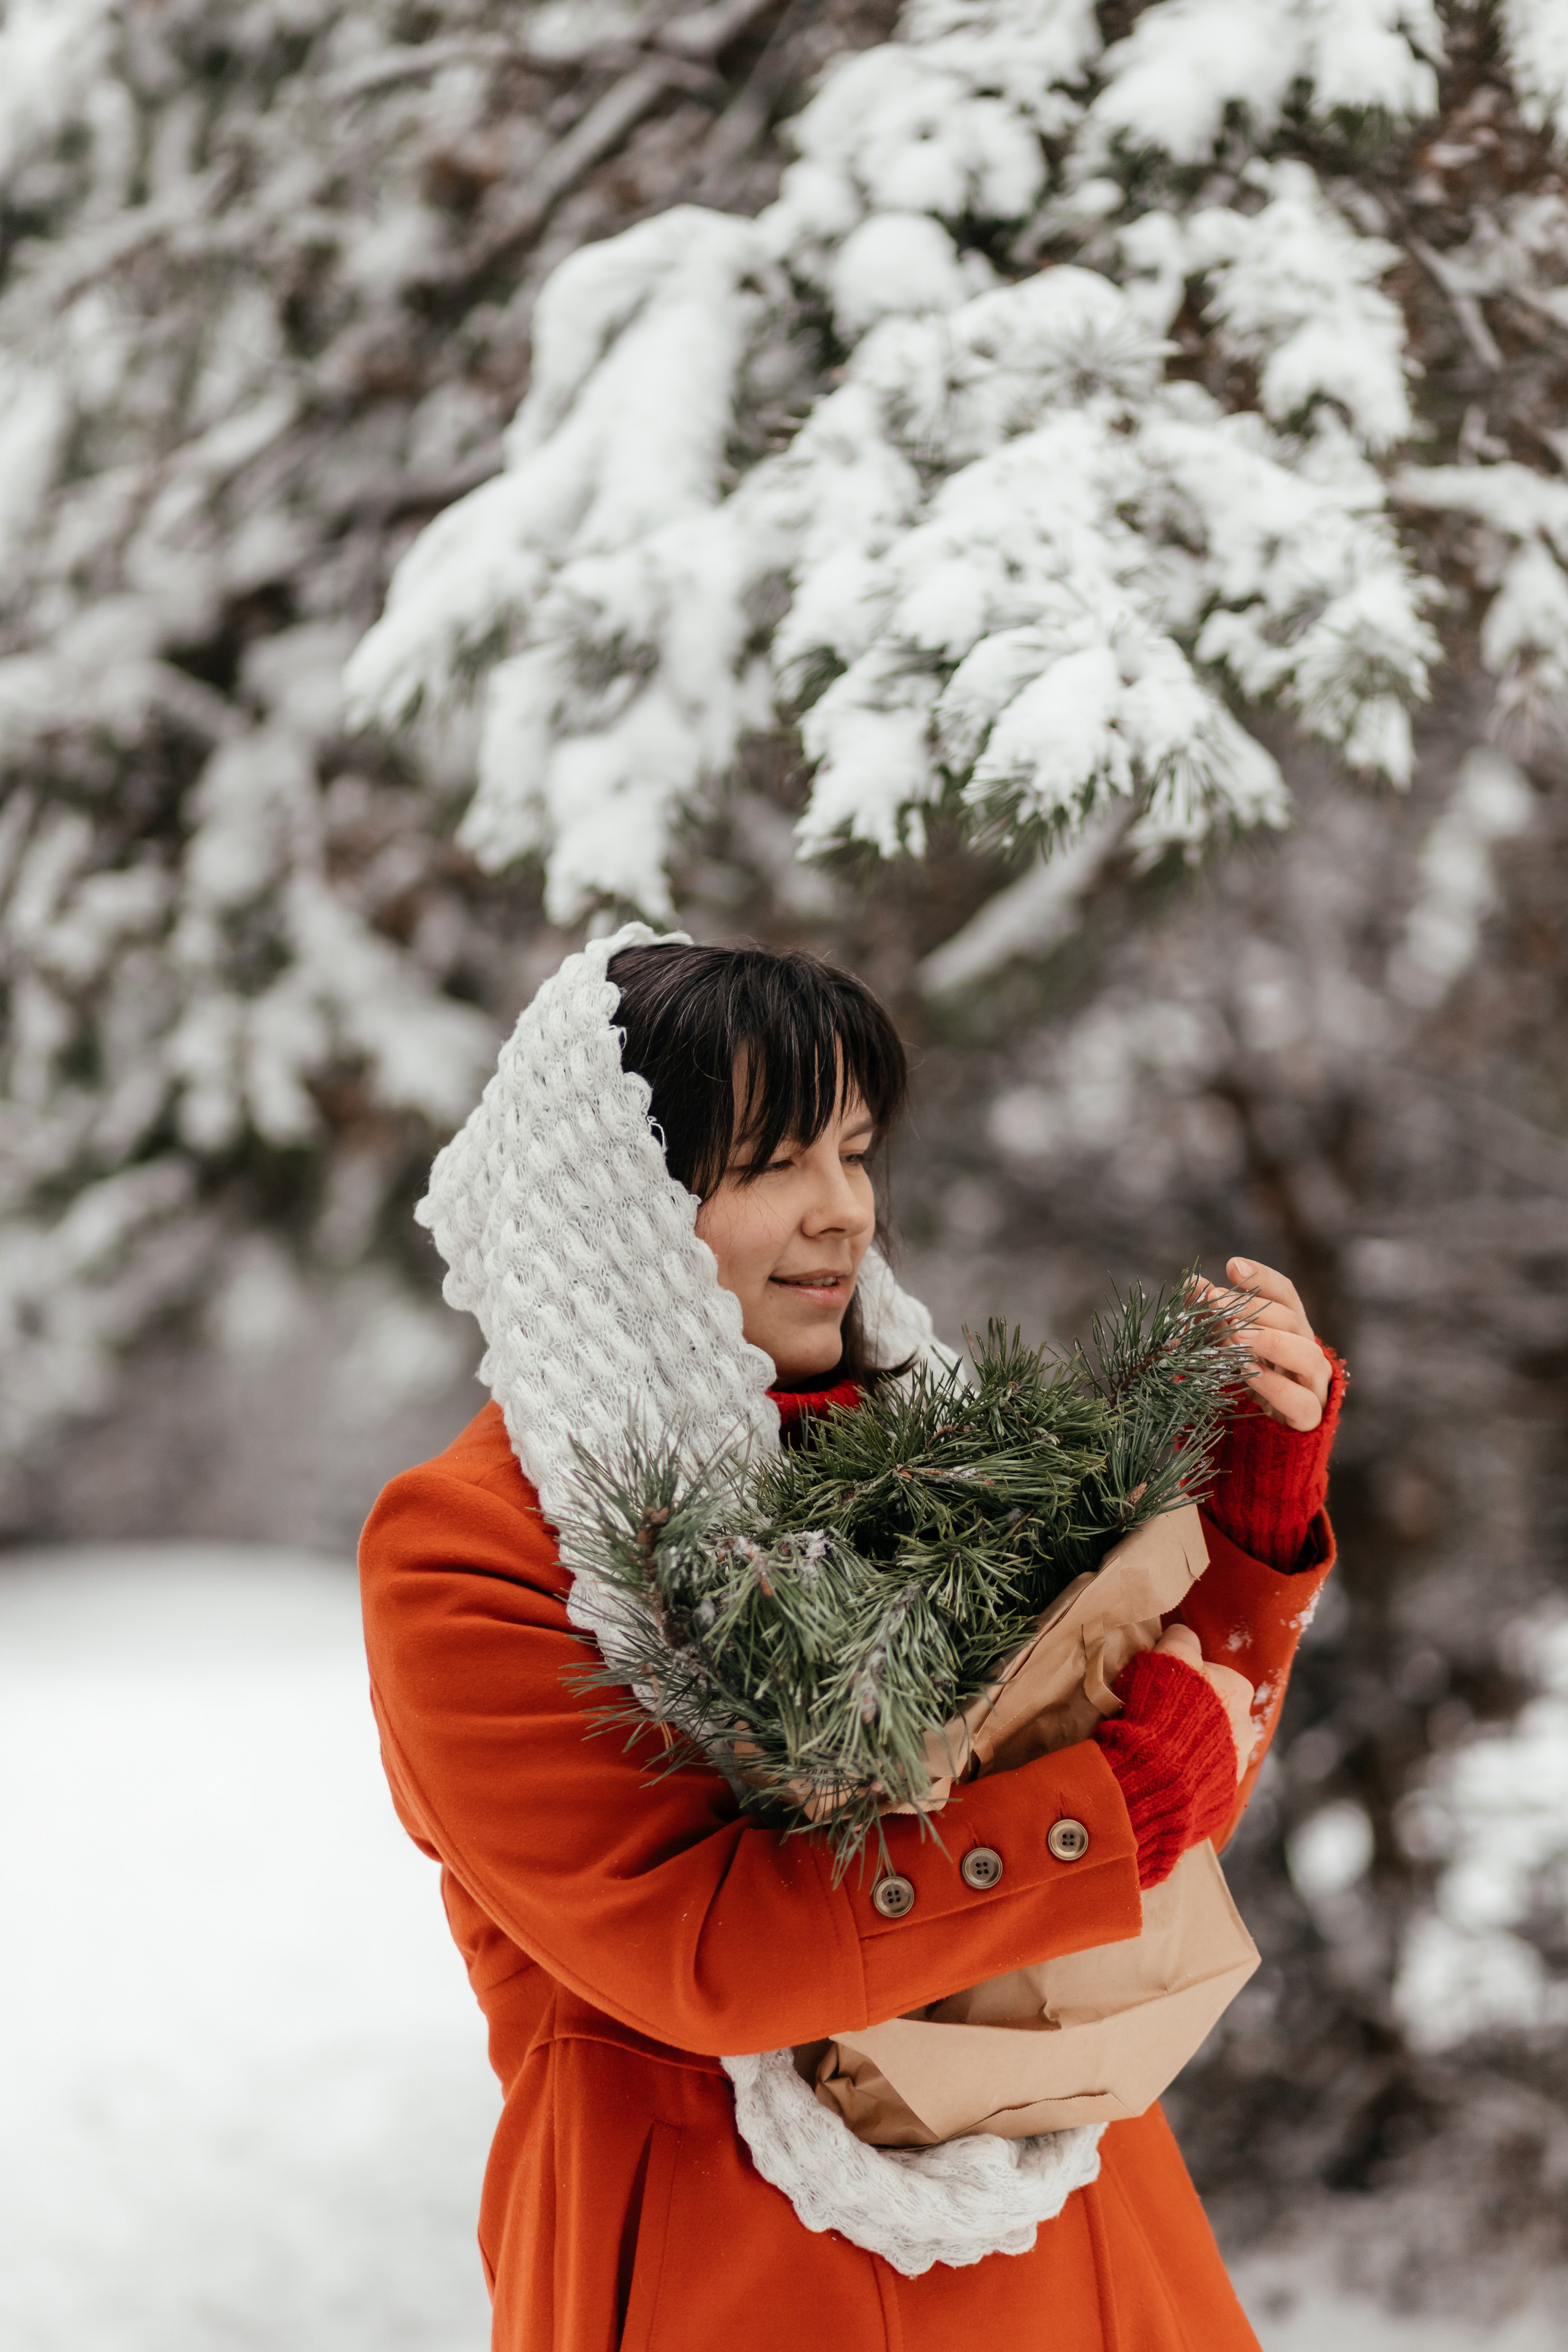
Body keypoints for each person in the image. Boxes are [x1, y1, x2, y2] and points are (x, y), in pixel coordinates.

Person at [359, 925, 1344, 2352]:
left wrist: (1252, 1532)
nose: (842, 1213)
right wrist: (1116, 1808)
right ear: (610, 1207)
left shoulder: (939, 1447)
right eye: (769, 1166)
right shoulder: (475, 1546)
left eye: (855, 1152)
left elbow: (1124, 1863)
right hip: (735, 2263)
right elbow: (698, 1948)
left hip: (1065, 2220)